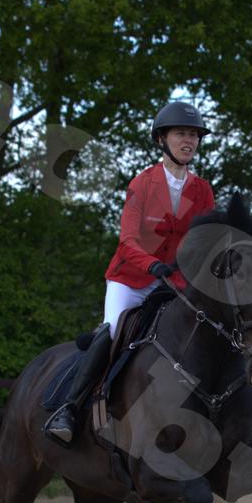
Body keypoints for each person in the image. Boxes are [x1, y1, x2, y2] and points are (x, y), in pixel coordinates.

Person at [43, 100, 216, 444]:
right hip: (132, 280)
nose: (189, 140)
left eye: (194, 135)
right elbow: (127, 241)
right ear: (161, 139)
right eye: (181, 133)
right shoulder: (142, 184)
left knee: (207, 331)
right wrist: (152, 264)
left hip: (175, 283)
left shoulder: (202, 191)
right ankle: (69, 409)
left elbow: (205, 239)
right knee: (110, 333)